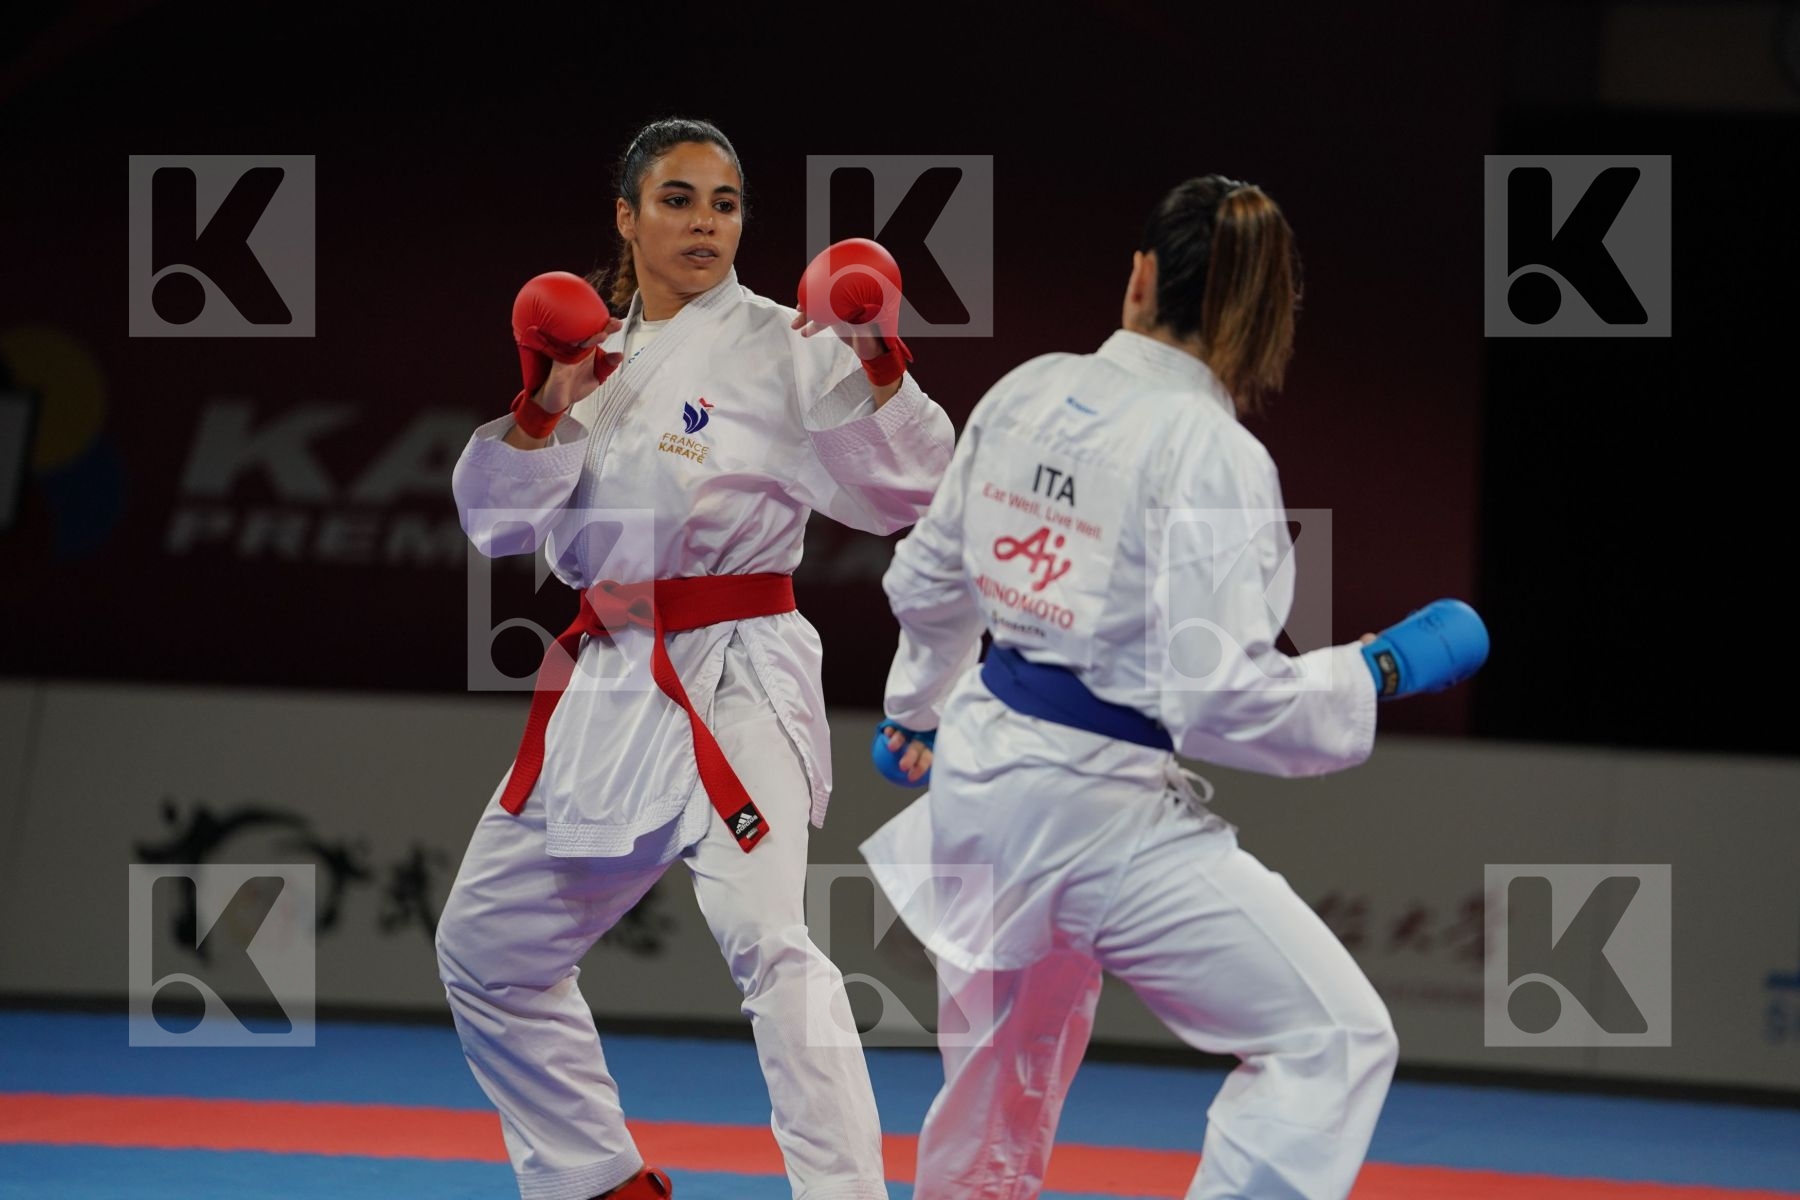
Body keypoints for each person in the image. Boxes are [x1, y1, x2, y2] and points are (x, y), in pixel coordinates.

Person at [860, 175, 1475, 1200]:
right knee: (1330, 1040)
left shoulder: (1026, 387)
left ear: (1140, 276)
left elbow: (927, 583)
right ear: (1270, 318)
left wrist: (914, 711)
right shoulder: (1211, 453)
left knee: (994, 1089)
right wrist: (1371, 671)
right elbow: (1221, 701)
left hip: (977, 785)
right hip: (1092, 811)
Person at [435, 116, 954, 1200]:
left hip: (735, 675)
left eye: (723, 202)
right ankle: (595, 1180)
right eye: (677, 199)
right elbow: (494, 527)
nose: (705, 222)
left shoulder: (786, 340)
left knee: (768, 938)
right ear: (627, 219)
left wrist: (875, 358)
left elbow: (911, 490)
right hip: (612, 677)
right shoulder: (588, 353)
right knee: (487, 947)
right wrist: (539, 407)